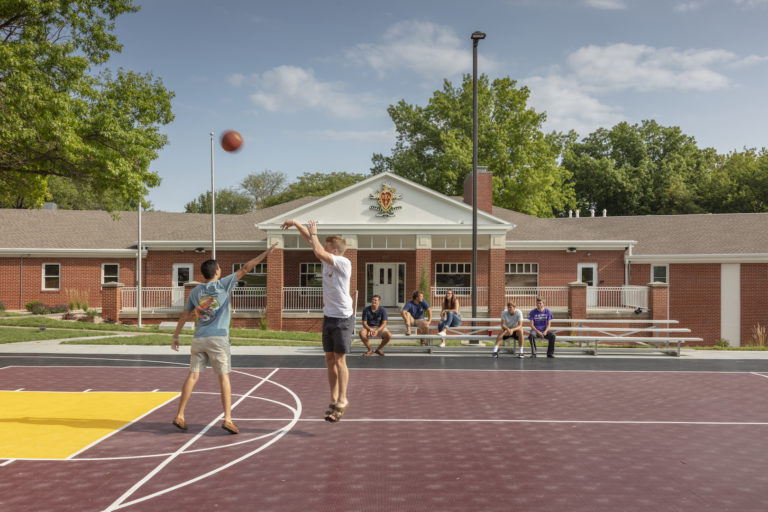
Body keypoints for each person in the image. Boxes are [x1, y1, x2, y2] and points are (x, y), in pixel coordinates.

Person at [171, 242, 277, 434]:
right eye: (220, 267)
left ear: (203, 274)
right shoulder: (223, 284)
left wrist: (176, 336)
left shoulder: (195, 291)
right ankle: (228, 418)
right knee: (224, 378)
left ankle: (180, 415)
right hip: (218, 339)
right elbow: (246, 267)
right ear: (217, 271)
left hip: (199, 339)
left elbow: (185, 314)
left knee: (193, 376)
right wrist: (267, 253)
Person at [281, 218, 354, 422]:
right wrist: (296, 224)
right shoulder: (327, 259)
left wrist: (314, 232)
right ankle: (333, 399)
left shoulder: (343, 263)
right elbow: (313, 244)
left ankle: (343, 399)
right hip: (329, 316)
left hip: (343, 319)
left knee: (340, 360)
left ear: (335, 251)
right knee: (329, 359)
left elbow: (319, 250)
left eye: (327, 246)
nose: (321, 248)